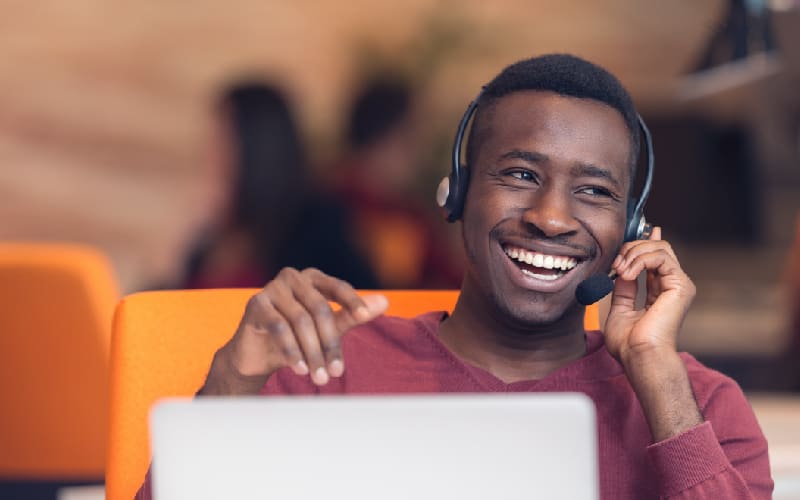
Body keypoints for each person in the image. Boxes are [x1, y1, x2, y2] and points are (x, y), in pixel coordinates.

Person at [137, 55, 772, 498]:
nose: (551, 217)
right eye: (521, 175)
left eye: (594, 191)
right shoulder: (327, 373)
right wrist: (229, 383)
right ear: (458, 193)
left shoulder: (700, 406)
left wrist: (657, 377)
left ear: (630, 229)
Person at [181, 81, 379, 290]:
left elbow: (360, 302)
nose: (208, 154)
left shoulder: (317, 226)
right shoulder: (212, 236)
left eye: (221, 141)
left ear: (259, 148)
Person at [327, 76, 463, 288]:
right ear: (389, 136)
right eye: (413, 138)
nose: (419, 154)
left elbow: (450, 279)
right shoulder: (325, 209)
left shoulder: (410, 213)